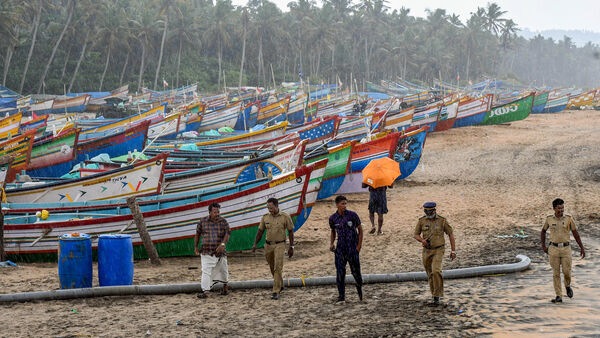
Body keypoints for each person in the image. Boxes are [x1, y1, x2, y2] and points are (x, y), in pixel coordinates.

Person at [540, 198, 585, 303]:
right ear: (554, 208)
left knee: (566, 272)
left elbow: (575, 234)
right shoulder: (549, 219)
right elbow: (543, 231)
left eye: (563, 207)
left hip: (566, 249)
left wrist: (581, 247)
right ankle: (558, 295)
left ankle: (568, 286)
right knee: (556, 273)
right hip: (553, 249)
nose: (561, 210)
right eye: (559, 208)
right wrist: (543, 246)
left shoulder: (569, 219)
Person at [413, 201, 456, 306]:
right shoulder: (421, 221)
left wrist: (453, 250)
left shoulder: (442, 221)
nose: (428, 213)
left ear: (434, 210)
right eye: (426, 211)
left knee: (436, 271)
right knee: (430, 274)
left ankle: (437, 296)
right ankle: (434, 296)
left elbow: (450, 234)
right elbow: (416, 234)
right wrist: (422, 241)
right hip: (427, 251)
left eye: (430, 211)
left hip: (439, 250)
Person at [252, 197, 295, 300]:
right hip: (268, 245)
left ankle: (276, 291)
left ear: (276, 206)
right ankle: (281, 284)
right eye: (268, 208)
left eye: (271, 207)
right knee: (272, 267)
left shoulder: (285, 217)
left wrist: (291, 247)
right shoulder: (265, 217)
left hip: (280, 245)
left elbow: (290, 232)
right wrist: (255, 244)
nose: (269, 210)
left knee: (277, 267)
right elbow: (260, 231)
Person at [329, 195, 363, 302]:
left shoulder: (352, 215)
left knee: (356, 272)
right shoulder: (333, 218)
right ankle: (341, 296)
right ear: (337, 205)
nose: (344, 206)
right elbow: (333, 231)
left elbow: (360, 230)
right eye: (342, 203)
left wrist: (359, 246)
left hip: (352, 248)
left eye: (345, 203)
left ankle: (360, 294)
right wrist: (332, 243)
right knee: (340, 273)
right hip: (340, 249)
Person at [194, 202, 231, 299]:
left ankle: (225, 288)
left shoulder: (223, 221)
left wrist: (223, 244)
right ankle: (206, 291)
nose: (217, 214)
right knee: (206, 271)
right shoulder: (203, 221)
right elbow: (197, 234)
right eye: (215, 212)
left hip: (220, 252)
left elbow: (227, 233)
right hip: (206, 251)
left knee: (223, 270)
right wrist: (196, 246)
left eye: (218, 212)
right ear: (210, 212)